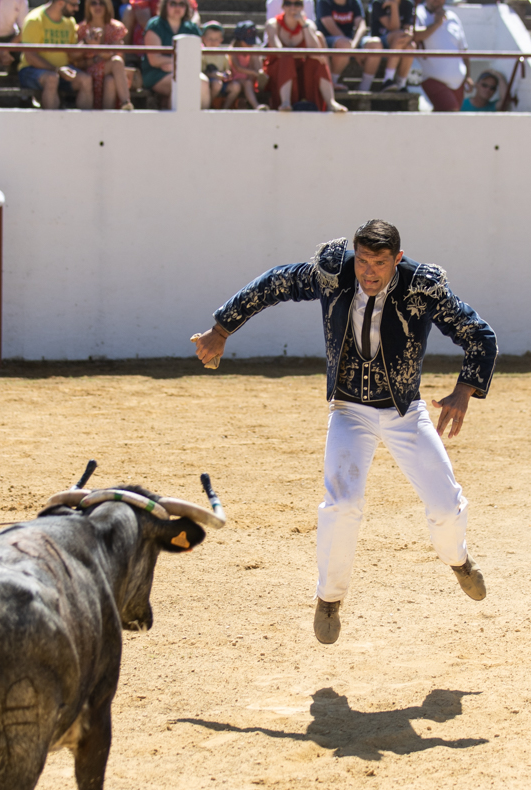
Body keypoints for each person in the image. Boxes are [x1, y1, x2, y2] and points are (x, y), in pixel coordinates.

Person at [192, 220, 498, 645]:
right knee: (342, 503)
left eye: (380, 263)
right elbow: (276, 283)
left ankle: (458, 560)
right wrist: (222, 328)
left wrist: (465, 389)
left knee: (446, 505)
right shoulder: (333, 273)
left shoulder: (422, 287)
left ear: (398, 259)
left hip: (404, 410)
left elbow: (478, 333)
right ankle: (329, 599)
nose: (369, 272)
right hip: (349, 409)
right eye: (363, 261)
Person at [264, 0, 347, 112]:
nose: (293, 7)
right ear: (283, 6)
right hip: (280, 70)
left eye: (297, 4)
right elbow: (278, 52)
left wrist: (304, 25)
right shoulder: (273, 24)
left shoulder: (308, 24)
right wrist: (301, 54)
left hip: (301, 70)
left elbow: (315, 52)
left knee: (318, 62)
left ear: (302, 7)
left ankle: (331, 102)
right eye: (288, 3)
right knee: (287, 59)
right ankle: (285, 102)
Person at [18, 0, 94, 110]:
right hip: (31, 70)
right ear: (60, 2)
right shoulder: (34, 20)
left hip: (61, 71)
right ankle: (50, 121)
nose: (77, 9)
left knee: (86, 80)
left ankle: (83, 121)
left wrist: (87, 42)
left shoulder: (69, 21)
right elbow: (30, 57)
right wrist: (57, 70)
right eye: (73, 5)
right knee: (51, 78)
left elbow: (72, 55)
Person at [142, 0, 212, 109]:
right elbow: (154, 59)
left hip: (185, 70)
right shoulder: (155, 25)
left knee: (203, 82)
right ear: (165, 5)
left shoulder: (191, 28)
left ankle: (201, 118)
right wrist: (179, 64)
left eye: (182, 4)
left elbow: (197, 56)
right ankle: (174, 119)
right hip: (157, 73)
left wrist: (177, 65)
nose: (177, 7)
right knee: (182, 83)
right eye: (173, 3)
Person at [414, 0, 471, 111]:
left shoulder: (453, 17)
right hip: (432, 79)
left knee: (448, 117)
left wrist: (468, 76)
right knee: (451, 112)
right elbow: (415, 36)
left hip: (458, 83)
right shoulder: (418, 14)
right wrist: (436, 24)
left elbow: (463, 50)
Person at [76, 0, 133, 110]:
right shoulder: (81, 29)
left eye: (101, 3)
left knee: (110, 80)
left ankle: (121, 108)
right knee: (116, 62)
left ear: (107, 6)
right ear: (88, 6)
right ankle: (126, 102)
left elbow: (116, 53)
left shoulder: (116, 27)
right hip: (87, 70)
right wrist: (87, 43)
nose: (98, 6)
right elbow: (75, 59)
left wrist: (96, 47)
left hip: (110, 71)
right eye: (93, 3)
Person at [315, 0, 380, 92]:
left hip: (351, 42)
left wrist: (353, 46)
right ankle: (331, 83)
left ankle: (364, 89)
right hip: (329, 41)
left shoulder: (354, 2)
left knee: (375, 44)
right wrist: (350, 48)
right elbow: (330, 26)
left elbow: (361, 27)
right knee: (344, 45)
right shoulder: (323, 2)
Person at [369, 0, 415, 91]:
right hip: (379, 42)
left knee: (411, 46)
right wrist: (394, 5)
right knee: (399, 37)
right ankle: (387, 80)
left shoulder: (408, 4)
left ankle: (401, 84)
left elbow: (407, 28)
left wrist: (409, 35)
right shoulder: (378, 2)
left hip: (400, 42)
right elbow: (394, 28)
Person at [224, 19, 267, 109]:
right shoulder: (232, 50)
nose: (250, 45)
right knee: (241, 85)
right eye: (247, 42)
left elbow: (257, 67)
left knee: (248, 83)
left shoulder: (252, 51)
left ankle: (256, 106)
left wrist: (259, 73)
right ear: (239, 40)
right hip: (235, 80)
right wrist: (253, 72)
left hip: (248, 80)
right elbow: (238, 67)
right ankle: (225, 107)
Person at [201, 20, 227, 100]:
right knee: (216, 84)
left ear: (221, 40)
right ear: (203, 39)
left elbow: (227, 70)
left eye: (216, 39)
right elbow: (201, 72)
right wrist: (214, 75)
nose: (213, 42)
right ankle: (207, 104)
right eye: (210, 39)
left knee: (235, 86)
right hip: (207, 81)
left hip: (221, 81)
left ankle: (225, 106)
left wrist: (226, 74)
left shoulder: (223, 54)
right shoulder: (201, 53)